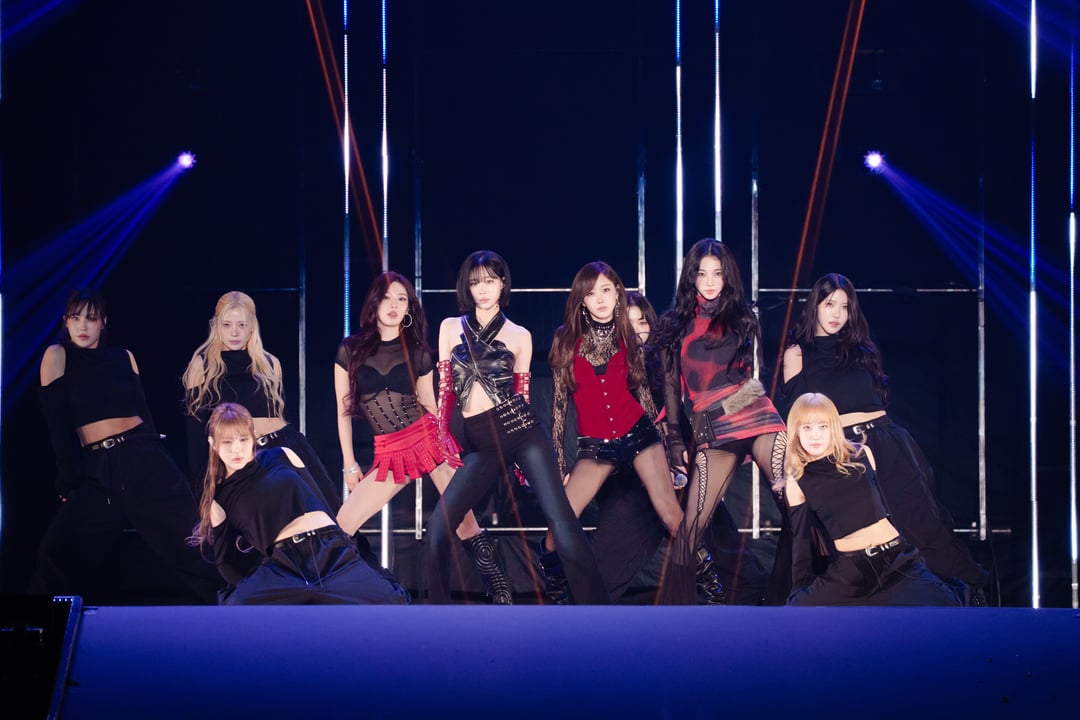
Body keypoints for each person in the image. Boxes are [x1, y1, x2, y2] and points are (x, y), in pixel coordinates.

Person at [781, 272, 988, 603]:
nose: (836, 314)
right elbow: (797, 413)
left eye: (844, 307)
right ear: (814, 305)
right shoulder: (797, 353)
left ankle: (968, 595)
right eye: (829, 304)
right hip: (842, 452)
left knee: (921, 522)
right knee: (855, 532)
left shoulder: (860, 349)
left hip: (886, 442)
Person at [426, 250, 609, 604]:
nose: (483, 289)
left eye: (490, 281)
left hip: (520, 429)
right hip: (479, 440)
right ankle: (436, 614)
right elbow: (445, 391)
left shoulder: (519, 334)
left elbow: (522, 395)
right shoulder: (450, 327)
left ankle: (598, 608)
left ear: (502, 284)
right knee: (438, 526)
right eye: (475, 282)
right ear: (466, 286)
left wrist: (529, 466)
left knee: (563, 521)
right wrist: (441, 436)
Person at [32, 289, 222, 603]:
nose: (83, 325)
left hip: (143, 458)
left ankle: (239, 610)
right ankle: (42, 625)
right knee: (56, 553)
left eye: (91, 318)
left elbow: (144, 414)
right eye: (76, 318)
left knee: (192, 546)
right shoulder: (57, 355)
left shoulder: (123, 357)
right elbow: (58, 426)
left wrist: (159, 458)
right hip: (97, 470)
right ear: (65, 321)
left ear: (103, 322)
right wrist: (68, 479)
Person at [334, 271, 513, 604]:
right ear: (374, 303)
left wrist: (448, 447)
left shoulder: (417, 352)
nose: (394, 305)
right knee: (344, 522)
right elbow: (343, 412)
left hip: (427, 438)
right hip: (389, 451)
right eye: (387, 297)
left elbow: (431, 406)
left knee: (464, 524)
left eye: (402, 299)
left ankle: (502, 592)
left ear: (409, 309)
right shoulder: (350, 350)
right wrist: (349, 463)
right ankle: (371, 589)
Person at [542, 263, 688, 604]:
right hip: (595, 448)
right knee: (556, 530)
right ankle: (558, 599)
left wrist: (668, 457)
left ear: (618, 294)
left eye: (607, 290)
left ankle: (711, 591)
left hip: (639, 436)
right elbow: (559, 409)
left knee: (672, 516)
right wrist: (559, 465)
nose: (600, 299)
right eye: (591, 293)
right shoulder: (565, 340)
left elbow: (646, 400)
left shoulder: (627, 336)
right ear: (581, 300)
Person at [655, 238, 788, 604]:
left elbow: (755, 383)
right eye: (703, 274)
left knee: (793, 501)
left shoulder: (744, 319)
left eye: (718, 273)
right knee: (692, 526)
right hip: (713, 431)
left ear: (728, 276)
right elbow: (672, 391)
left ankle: (798, 595)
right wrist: (677, 441)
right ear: (691, 277)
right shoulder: (674, 326)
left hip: (758, 418)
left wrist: (724, 411)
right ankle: (673, 612)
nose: (711, 281)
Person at [191, 402, 409, 604]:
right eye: (227, 442)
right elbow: (229, 566)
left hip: (330, 550)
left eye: (243, 440)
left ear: (253, 437)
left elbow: (323, 503)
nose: (236, 449)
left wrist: (347, 547)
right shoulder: (219, 498)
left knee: (392, 602)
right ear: (213, 444)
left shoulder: (281, 455)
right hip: (283, 566)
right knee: (235, 606)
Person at [780, 393, 959, 605]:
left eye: (823, 426)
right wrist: (798, 588)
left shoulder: (861, 455)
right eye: (807, 427)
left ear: (833, 428)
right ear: (796, 431)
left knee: (947, 606)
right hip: (851, 575)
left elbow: (887, 506)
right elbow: (801, 541)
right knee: (796, 609)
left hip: (896, 563)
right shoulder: (797, 480)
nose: (815, 435)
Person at [183, 291, 340, 509]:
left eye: (242, 325)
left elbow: (278, 414)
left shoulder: (269, 363)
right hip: (241, 456)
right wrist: (201, 486)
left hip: (284, 446)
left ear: (252, 327)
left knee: (326, 508)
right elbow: (195, 431)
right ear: (216, 325)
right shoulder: (203, 365)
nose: (235, 332)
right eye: (227, 325)